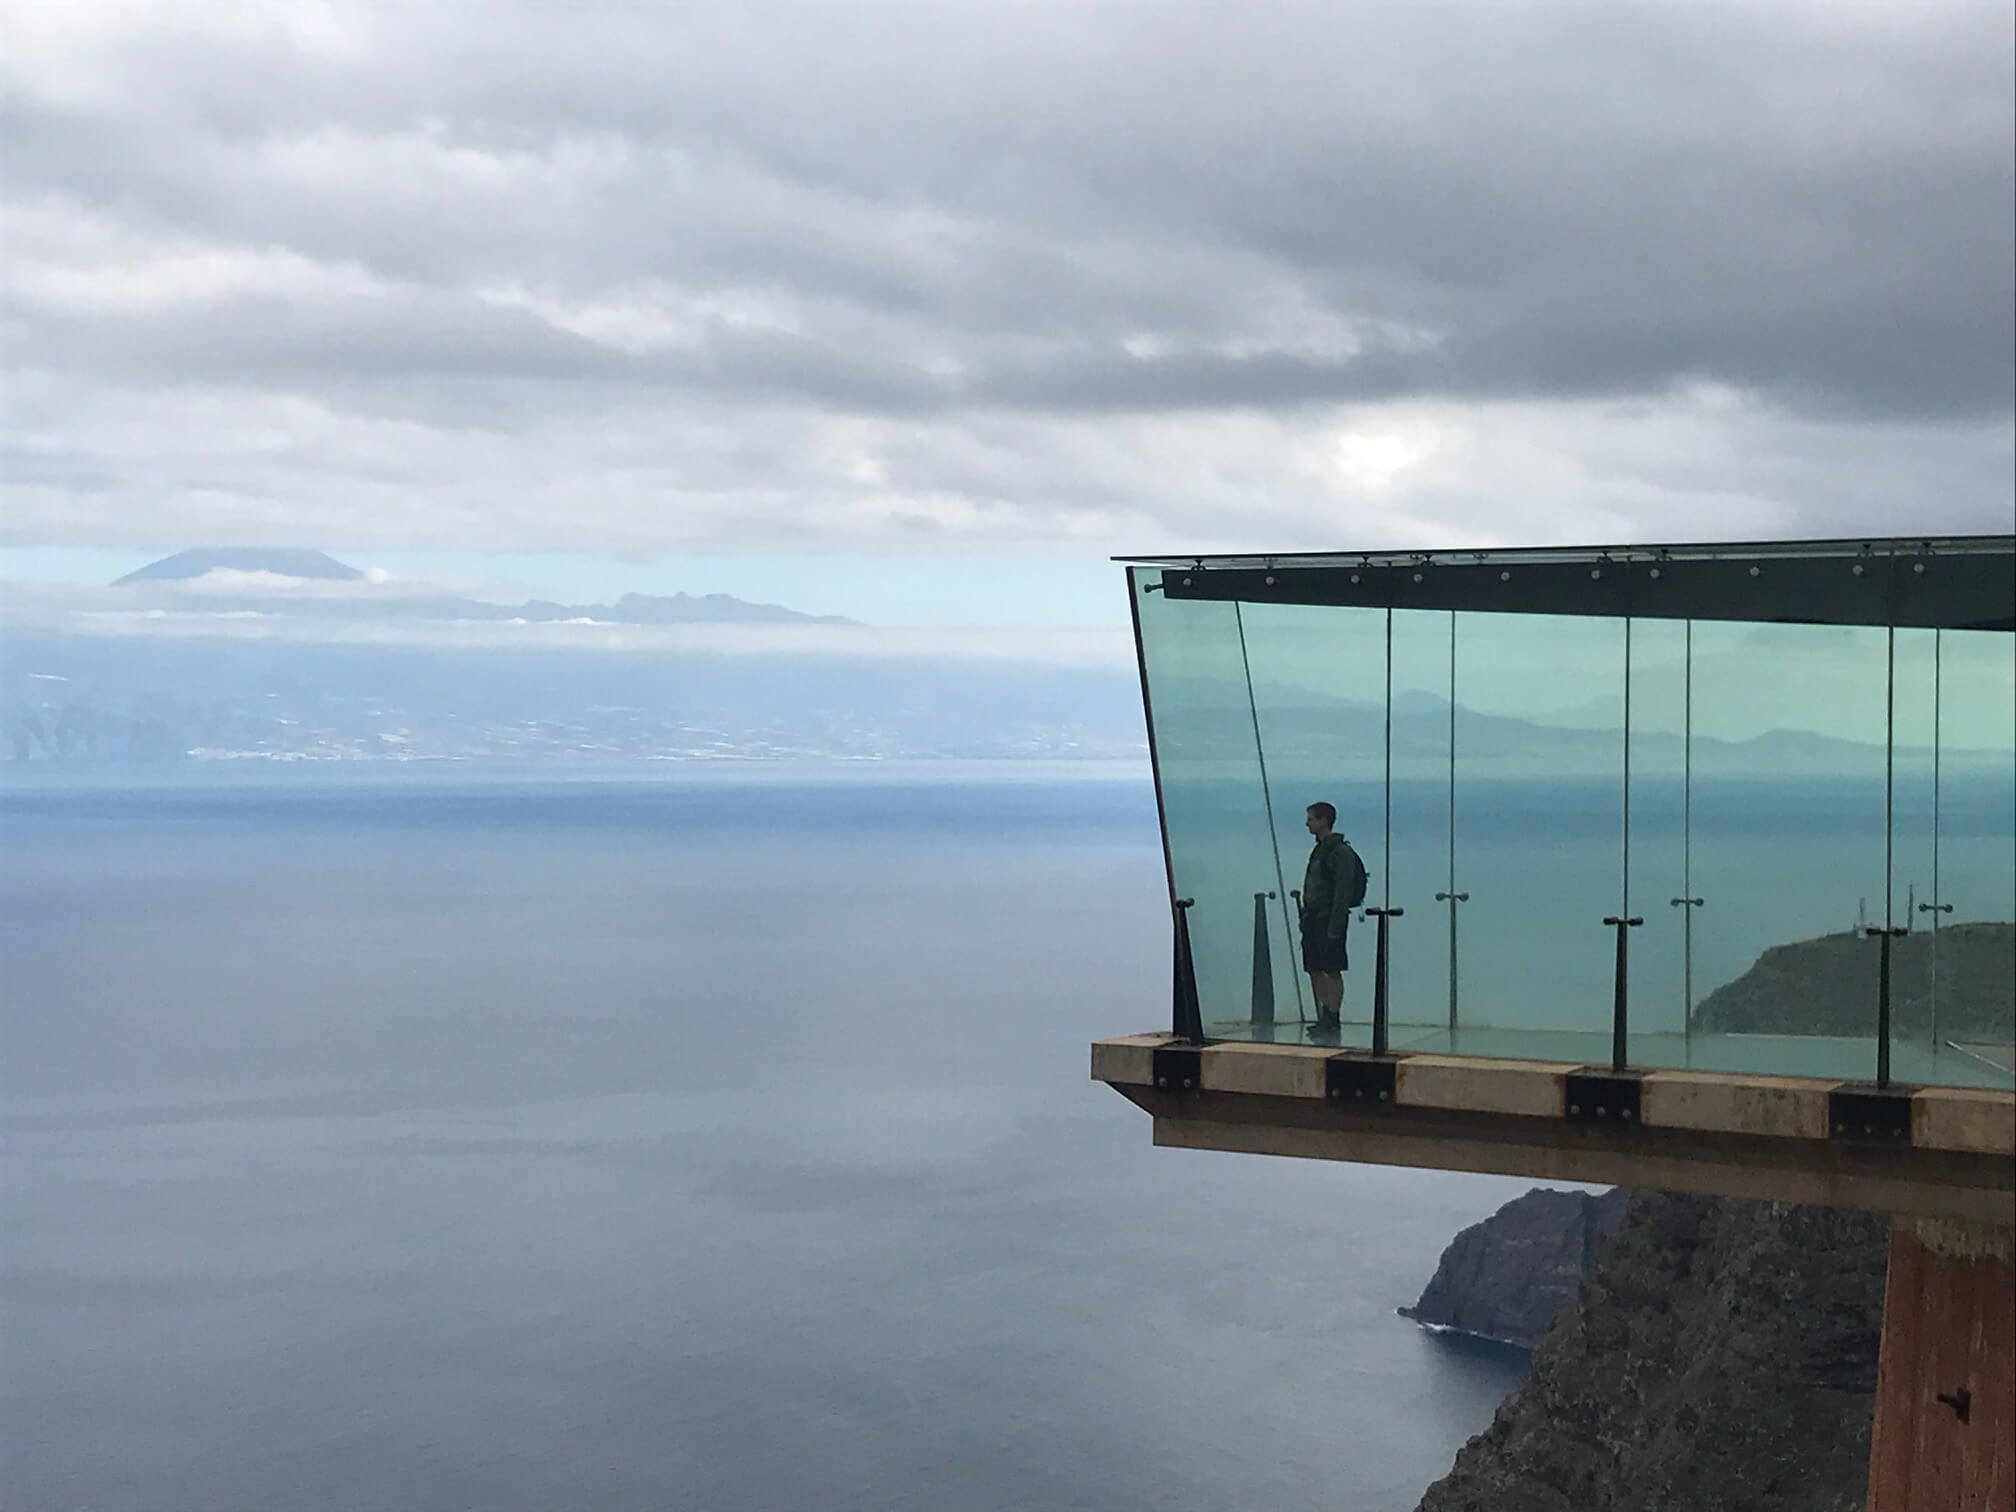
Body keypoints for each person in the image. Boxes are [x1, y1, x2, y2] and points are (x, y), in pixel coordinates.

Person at [1300, 801, 1366, 1039]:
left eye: (1311, 818)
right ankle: (1324, 1014)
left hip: (1328, 918)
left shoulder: (1340, 853)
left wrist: (1335, 926)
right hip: (1313, 918)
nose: (1307, 823)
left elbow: (1342, 890)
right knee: (1314, 968)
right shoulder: (1319, 850)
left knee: (1332, 968)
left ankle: (1333, 1016)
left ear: (1323, 821)